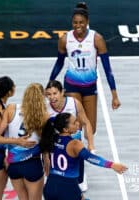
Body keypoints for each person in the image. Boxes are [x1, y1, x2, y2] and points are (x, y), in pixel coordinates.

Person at [49, 2, 121, 136]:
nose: (78, 26)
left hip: (89, 86)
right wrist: (50, 82)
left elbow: (107, 69)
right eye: (75, 22)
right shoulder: (65, 39)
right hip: (71, 86)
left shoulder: (97, 39)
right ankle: (73, 152)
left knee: (90, 130)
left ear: (87, 22)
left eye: (81, 22)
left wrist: (114, 95)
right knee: (72, 125)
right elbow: (59, 63)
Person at [39, 113, 127, 200]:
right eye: (74, 123)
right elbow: (91, 158)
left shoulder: (51, 138)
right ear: (65, 129)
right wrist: (112, 165)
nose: (78, 123)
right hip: (68, 188)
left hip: (50, 187)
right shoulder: (75, 144)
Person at [0, 83, 48, 200]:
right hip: (32, 164)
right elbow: (45, 143)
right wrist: (46, 159)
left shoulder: (11, 108)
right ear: (41, 97)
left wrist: (13, 142)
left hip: (13, 164)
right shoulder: (43, 115)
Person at [45, 79, 94, 192]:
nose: (52, 97)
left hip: (74, 143)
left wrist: (91, 144)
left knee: (78, 184)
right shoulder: (45, 108)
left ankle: (81, 178)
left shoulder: (74, 103)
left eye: (55, 93)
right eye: (49, 94)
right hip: (56, 144)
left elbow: (86, 122)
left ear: (62, 92)